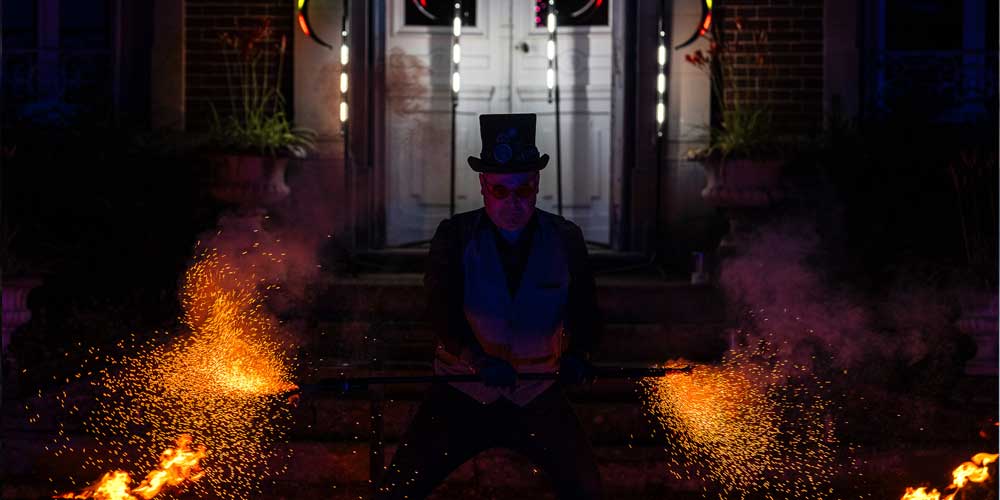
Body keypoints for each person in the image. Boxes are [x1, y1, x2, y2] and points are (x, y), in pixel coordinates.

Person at [374, 113, 603, 500]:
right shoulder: (455, 236)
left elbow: (586, 310)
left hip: (537, 392)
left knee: (587, 491)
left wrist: (580, 353)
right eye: (501, 191)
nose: (514, 202)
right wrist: (476, 359)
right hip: (462, 392)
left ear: (537, 185)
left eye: (524, 190)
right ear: (483, 185)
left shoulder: (565, 238)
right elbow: (440, 309)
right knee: (400, 490)